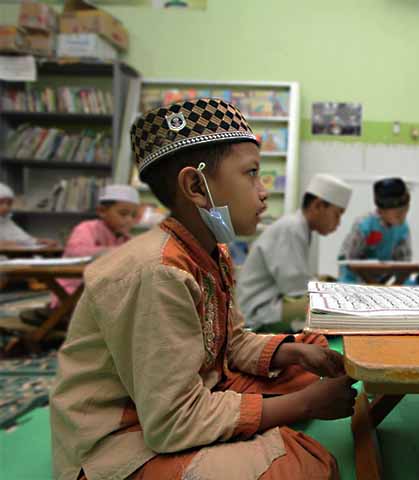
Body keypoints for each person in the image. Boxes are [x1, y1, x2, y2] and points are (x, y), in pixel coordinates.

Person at [50, 98, 357, 480]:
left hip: (193, 392)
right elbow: (171, 421)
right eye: (251, 174)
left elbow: (231, 342)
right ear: (196, 185)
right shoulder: (159, 271)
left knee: (309, 355)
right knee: (303, 467)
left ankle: (242, 427)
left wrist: (292, 352)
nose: (263, 192)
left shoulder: (213, 249)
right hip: (125, 439)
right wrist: (304, 406)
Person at [237, 173, 352, 333]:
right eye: (337, 214)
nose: (338, 222)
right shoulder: (292, 228)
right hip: (260, 312)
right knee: (335, 307)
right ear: (318, 206)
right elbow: (295, 286)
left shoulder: (299, 227)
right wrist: (329, 289)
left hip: (269, 304)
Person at [19, 184, 141, 327]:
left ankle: (64, 319)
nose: (129, 220)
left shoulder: (125, 238)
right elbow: (78, 251)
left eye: (133, 216)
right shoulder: (86, 228)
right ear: (102, 211)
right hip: (74, 289)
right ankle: (62, 315)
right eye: (123, 214)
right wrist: (119, 252)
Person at [338, 177, 412, 283]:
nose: (403, 216)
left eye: (406, 210)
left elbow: (404, 263)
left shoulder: (402, 228)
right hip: (354, 278)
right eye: (398, 214)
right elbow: (350, 260)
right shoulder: (364, 226)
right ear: (381, 211)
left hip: (382, 279)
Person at [0, 182, 57, 248]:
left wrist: (39, 241)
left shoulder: (6, 222)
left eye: (9, 203)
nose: (5, 207)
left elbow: (23, 239)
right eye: (1, 202)